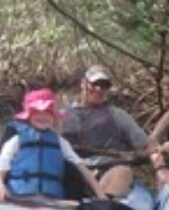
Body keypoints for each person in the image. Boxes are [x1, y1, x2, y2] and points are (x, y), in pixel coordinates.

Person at [0, 88, 106, 202]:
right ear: (29, 115)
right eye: (37, 112)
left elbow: (83, 169)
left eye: (47, 112)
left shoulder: (60, 142)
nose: (42, 116)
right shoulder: (16, 141)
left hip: (52, 201)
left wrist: (101, 195)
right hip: (18, 198)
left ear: (53, 116)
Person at [60, 65, 157, 197]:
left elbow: (148, 146)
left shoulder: (118, 115)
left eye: (104, 86)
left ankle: (105, 206)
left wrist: (161, 169)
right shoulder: (61, 116)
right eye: (95, 84)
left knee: (123, 171)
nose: (99, 89)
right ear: (83, 83)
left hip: (108, 170)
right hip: (74, 170)